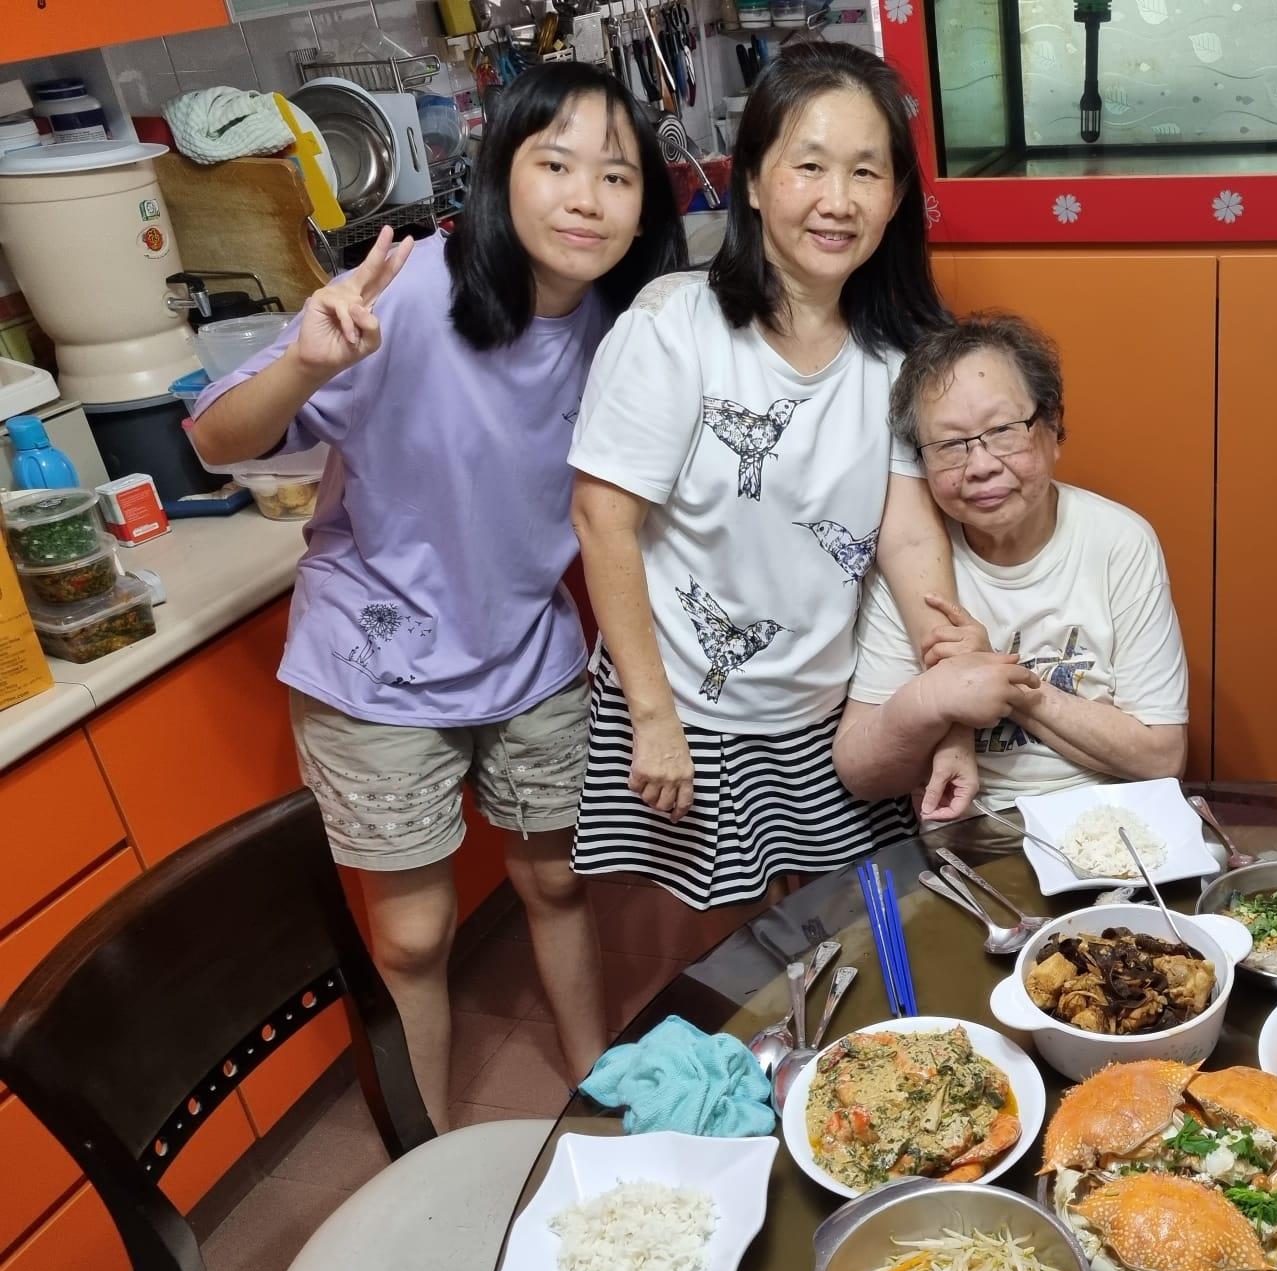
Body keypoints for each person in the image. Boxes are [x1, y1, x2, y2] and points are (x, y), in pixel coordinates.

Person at [189, 65, 680, 1131]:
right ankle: (428, 1154)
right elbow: (215, 439)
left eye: (617, 174)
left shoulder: (627, 329)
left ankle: (599, 1087)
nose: (586, 198)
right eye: (554, 164)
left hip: (531, 649)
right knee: (413, 937)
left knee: (555, 885)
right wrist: (306, 366)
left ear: (647, 205)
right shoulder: (410, 290)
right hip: (376, 662)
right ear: (499, 173)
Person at [568, 42, 981, 913]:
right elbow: (602, 522)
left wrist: (948, 716)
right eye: (810, 166)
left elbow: (910, 539)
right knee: (717, 977)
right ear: (753, 181)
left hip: (830, 713)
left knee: (855, 953)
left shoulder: (899, 358)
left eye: (866, 172)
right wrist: (653, 721)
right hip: (686, 710)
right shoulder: (674, 330)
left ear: (897, 197)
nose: (838, 201)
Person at [835, 312, 1188, 810]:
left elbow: (1161, 756)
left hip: (1113, 831)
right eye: (950, 445)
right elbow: (860, 772)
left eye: (1002, 431)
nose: (980, 466)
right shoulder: (913, 562)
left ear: (1051, 428)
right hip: (972, 836)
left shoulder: (1119, 542)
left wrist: (1008, 683)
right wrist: (939, 696)